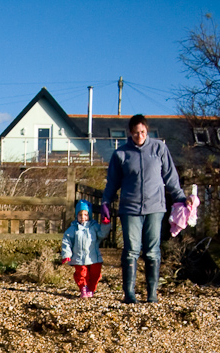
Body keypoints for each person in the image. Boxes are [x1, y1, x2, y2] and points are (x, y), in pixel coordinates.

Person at [101, 114, 189, 304]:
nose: (139, 136)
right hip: (130, 208)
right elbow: (112, 182)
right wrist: (106, 202)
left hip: (155, 207)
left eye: (142, 132)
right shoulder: (121, 154)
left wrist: (181, 198)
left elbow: (171, 177)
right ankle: (129, 293)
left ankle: (152, 293)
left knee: (152, 250)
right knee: (131, 249)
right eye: (135, 133)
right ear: (129, 133)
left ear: (147, 131)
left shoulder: (159, 148)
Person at [61, 199, 111, 298]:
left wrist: (105, 225)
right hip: (79, 257)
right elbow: (66, 241)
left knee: (95, 274)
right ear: (77, 216)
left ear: (89, 215)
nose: (83, 217)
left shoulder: (94, 226)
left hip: (93, 257)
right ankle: (83, 288)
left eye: (85, 215)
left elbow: (102, 234)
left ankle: (91, 289)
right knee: (81, 274)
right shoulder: (73, 229)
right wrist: (67, 254)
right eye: (80, 215)